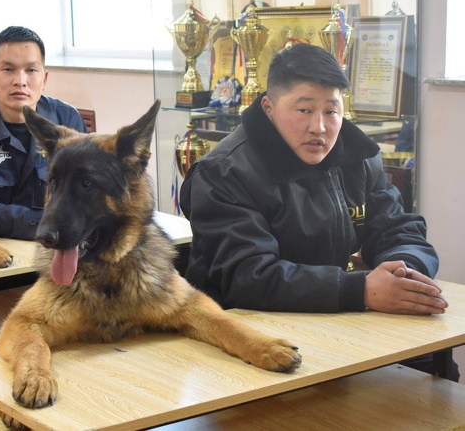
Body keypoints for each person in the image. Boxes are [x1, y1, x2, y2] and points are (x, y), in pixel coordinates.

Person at [180, 43, 457, 379]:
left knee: (435, 368)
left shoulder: (358, 155)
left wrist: (404, 274)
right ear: (268, 107)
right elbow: (247, 277)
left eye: (331, 111)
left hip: (333, 311)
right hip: (246, 332)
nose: (320, 128)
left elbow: (400, 229)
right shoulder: (223, 172)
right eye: (304, 110)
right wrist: (361, 289)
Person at [0, 26, 87, 241]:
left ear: (44, 79)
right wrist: (43, 223)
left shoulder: (67, 120)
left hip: (60, 242)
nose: (20, 81)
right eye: (8, 70)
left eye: (31, 70)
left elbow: (85, 190)